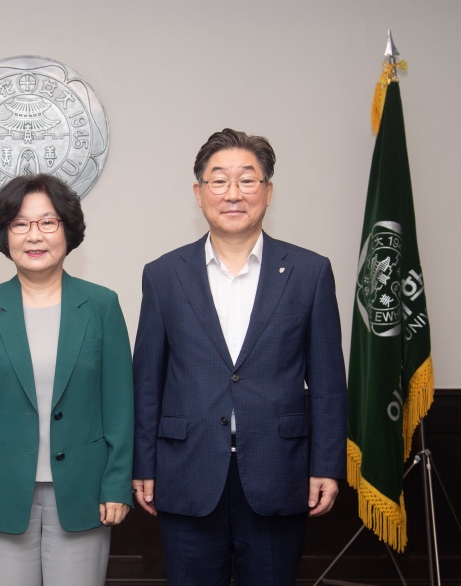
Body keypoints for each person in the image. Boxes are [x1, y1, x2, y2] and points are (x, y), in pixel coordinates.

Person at [132, 128, 347, 585]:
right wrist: (143, 465)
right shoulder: (164, 274)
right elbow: (147, 381)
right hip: (186, 471)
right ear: (199, 193)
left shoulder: (310, 272)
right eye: (219, 181)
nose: (233, 194)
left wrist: (327, 465)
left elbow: (328, 383)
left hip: (279, 471)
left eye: (247, 180)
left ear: (268, 191)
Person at [0, 174, 134, 586]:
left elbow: (120, 405)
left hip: (86, 491)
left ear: (68, 230)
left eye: (48, 222)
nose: (34, 235)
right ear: (4, 235)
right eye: (20, 224)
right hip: (1, 492)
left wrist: (117, 485)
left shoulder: (101, 305)